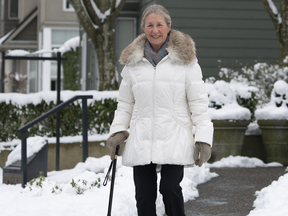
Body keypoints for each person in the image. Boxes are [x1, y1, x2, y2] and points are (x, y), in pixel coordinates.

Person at [107, 4, 213, 216]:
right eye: (150, 25)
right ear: (143, 27)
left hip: (174, 134)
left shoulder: (186, 61)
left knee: (169, 189)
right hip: (142, 135)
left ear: (169, 26)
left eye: (159, 25)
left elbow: (199, 103)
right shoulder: (132, 64)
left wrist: (203, 139)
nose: (155, 30)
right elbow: (125, 104)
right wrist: (117, 131)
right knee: (144, 196)